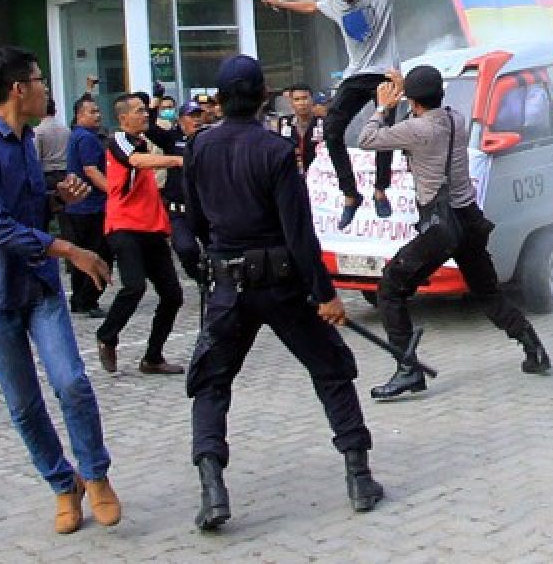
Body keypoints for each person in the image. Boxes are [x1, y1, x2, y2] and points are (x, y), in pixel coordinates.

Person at [184, 55, 383, 529]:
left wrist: (202, 267)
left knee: (211, 385)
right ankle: (358, 475)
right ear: (261, 96)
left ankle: (212, 489)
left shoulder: (198, 148)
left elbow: (190, 222)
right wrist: (325, 293)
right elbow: (299, 232)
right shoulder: (274, 150)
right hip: (282, 283)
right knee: (331, 370)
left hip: (228, 285)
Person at [0, 46, 119, 534]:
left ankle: (96, 474)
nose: (47, 88)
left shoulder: (27, 140)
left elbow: (22, 210)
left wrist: (54, 198)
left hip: (38, 286)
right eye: (40, 79)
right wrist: (71, 250)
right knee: (23, 403)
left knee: (71, 381)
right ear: (18, 89)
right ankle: (63, 484)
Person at [358, 66, 551, 398]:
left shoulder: (417, 129)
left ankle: (408, 370)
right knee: (488, 292)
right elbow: (420, 117)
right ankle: (533, 348)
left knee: (390, 288)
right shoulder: (454, 119)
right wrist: (409, 93)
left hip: (440, 227)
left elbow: (367, 139)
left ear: (412, 100)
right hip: (468, 219)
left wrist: (383, 107)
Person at [260, 0, 459, 229]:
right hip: (356, 75)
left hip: (384, 73)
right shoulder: (333, 2)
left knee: (384, 134)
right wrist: (281, 3)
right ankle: (351, 195)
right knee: (331, 130)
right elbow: (311, 6)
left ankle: (381, 190)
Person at [94, 94, 185, 375]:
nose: (145, 115)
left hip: (152, 227)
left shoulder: (145, 141)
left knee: (172, 295)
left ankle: (153, 357)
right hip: (124, 226)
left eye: (146, 110)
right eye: (139, 111)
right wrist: (178, 161)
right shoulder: (118, 141)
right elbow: (136, 161)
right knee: (134, 286)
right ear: (123, 119)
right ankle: (107, 336)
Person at [61, 95, 112, 318]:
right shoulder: (87, 139)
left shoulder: (78, 136)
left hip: (79, 207)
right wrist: (115, 192)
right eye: (92, 112)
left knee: (81, 254)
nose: (97, 115)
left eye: (98, 111)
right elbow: (91, 170)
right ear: (80, 115)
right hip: (91, 207)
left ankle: (79, 300)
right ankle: (88, 299)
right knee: (99, 253)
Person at [145, 98, 206, 282]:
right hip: (179, 211)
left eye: (198, 116)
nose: (196, 120)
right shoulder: (172, 139)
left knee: (218, 250)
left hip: (206, 209)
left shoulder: (209, 138)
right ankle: (199, 278)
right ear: (180, 120)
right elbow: (150, 129)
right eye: (191, 116)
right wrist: (154, 103)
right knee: (186, 249)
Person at [275, 83, 327, 175]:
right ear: (291, 102)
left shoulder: (323, 123)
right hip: (291, 176)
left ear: (312, 100)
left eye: (305, 98)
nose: (301, 103)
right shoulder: (284, 123)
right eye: (297, 99)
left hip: (319, 175)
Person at [33, 98, 70, 228]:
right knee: (65, 211)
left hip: (47, 175)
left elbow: (35, 157)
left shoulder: (38, 131)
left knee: (45, 212)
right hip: (65, 172)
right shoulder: (66, 130)